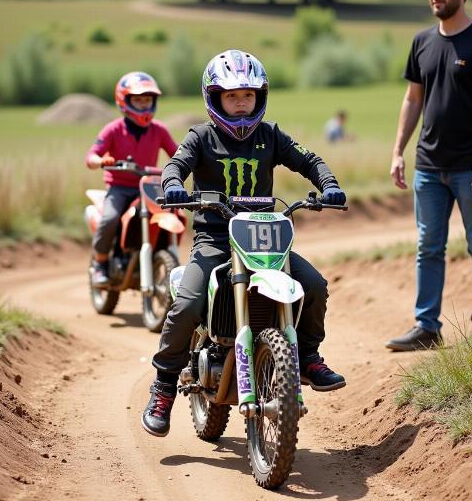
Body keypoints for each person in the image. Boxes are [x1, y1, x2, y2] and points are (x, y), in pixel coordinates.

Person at [141, 49, 347, 437]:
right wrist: (172, 184)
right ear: (214, 98)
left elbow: (310, 160)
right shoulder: (200, 136)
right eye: (232, 96)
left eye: (248, 95)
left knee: (314, 285)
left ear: (260, 97)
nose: (241, 103)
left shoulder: (271, 135)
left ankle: (306, 355)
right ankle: (164, 386)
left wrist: (329, 185)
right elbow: (175, 165)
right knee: (186, 304)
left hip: (266, 237)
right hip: (215, 238)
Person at [386, 0, 472, 351]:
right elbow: (412, 99)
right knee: (428, 247)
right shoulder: (422, 42)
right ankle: (427, 327)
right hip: (428, 167)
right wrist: (398, 151)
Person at [85, 71, 178, 286]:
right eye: (138, 100)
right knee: (110, 218)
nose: (144, 105)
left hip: (148, 188)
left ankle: (160, 257)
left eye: (148, 100)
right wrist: (100, 161)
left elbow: (178, 154)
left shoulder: (160, 130)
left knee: (174, 210)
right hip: (119, 187)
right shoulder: (113, 129)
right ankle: (100, 263)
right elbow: (91, 156)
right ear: (124, 101)